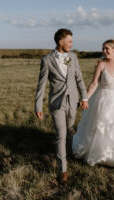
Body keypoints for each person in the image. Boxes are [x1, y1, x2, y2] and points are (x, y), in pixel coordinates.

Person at [72, 39, 114, 170]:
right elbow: (94, 84)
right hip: (102, 101)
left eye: (107, 49)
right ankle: (103, 155)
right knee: (102, 128)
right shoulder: (101, 65)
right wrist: (85, 99)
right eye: (103, 49)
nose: (104, 51)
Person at [35, 28, 89, 183]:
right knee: (61, 134)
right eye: (70, 41)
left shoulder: (72, 57)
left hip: (73, 101)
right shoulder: (47, 60)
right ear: (61, 42)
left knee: (70, 131)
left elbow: (78, 78)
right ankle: (62, 169)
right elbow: (42, 85)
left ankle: (70, 154)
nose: (72, 44)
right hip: (57, 103)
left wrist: (84, 97)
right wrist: (38, 106)